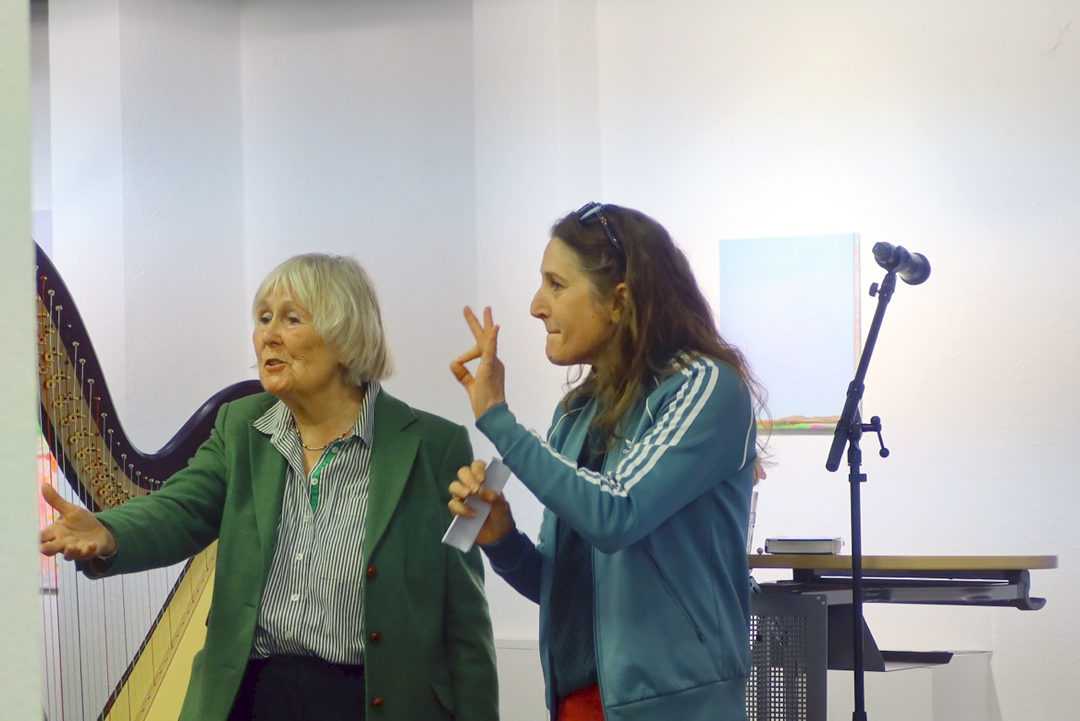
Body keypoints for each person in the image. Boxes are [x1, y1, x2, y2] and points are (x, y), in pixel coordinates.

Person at [41, 253, 499, 721]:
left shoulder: (436, 447)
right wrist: (110, 531)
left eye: (291, 319)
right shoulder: (241, 426)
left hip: (368, 702)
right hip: (250, 699)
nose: (268, 336)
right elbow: (181, 507)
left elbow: (465, 622)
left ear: (345, 337)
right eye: (263, 318)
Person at [449, 203, 766, 721]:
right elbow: (568, 592)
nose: (535, 306)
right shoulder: (576, 412)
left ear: (619, 300)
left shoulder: (704, 386)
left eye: (556, 285)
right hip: (577, 703)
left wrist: (498, 419)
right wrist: (501, 540)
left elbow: (617, 515)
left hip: (678, 707)